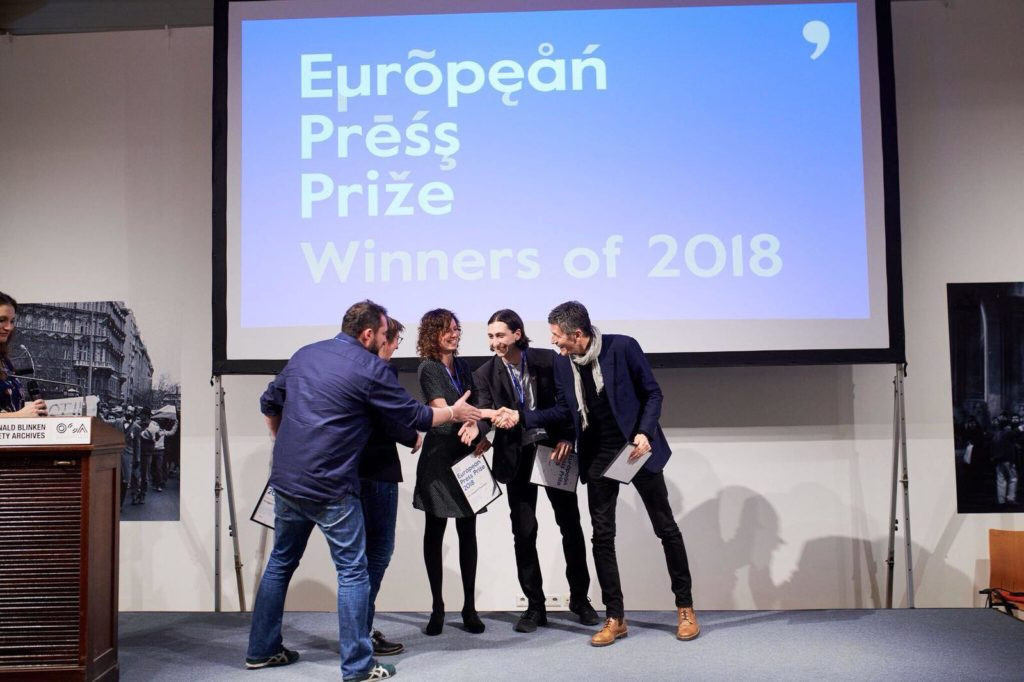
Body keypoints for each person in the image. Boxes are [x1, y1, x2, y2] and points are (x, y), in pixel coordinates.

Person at [247, 300, 480, 681]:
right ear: (368, 333)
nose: (390, 341)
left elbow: (269, 403)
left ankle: (261, 650)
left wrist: (283, 443)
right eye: (387, 334)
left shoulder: (305, 353)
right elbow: (416, 416)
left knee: (280, 563)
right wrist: (455, 412)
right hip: (332, 485)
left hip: (287, 479)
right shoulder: (369, 368)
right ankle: (358, 666)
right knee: (354, 572)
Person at [504, 301, 699, 646]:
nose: (554, 342)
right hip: (597, 455)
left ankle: (685, 608)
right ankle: (615, 617)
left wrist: (645, 432)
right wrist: (522, 417)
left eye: (557, 336)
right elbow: (563, 410)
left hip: (635, 449)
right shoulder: (563, 363)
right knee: (602, 537)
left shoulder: (622, 347)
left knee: (665, 528)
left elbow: (652, 393)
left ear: (577, 334)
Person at [473, 309, 598, 632]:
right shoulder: (484, 373)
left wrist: (568, 436)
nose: (495, 342)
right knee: (524, 532)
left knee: (570, 526)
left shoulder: (548, 359)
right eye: (490, 336)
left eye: (500, 335)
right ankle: (534, 607)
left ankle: (580, 600)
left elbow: (569, 404)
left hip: (554, 451)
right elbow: (486, 413)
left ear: (517, 334)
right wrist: (480, 430)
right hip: (516, 456)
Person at [412, 308, 488, 636]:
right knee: (435, 532)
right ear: (432, 334)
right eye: (447, 330)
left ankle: (470, 607)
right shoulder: (428, 368)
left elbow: (474, 409)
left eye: (457, 329)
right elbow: (443, 412)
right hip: (439, 460)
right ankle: (438, 608)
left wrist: (479, 429)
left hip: (466, 456)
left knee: (468, 532)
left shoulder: (463, 366)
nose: (454, 334)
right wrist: (472, 418)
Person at [358, 317, 421, 657]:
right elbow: (387, 417)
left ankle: (359, 632)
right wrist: (412, 435)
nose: (396, 347)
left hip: (349, 472)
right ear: (382, 338)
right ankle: (361, 634)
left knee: (358, 557)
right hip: (377, 471)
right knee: (378, 552)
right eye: (394, 340)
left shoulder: (347, 369)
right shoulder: (381, 372)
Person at [0, 291, 47, 418]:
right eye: (2, 320)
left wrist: (33, 411)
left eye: (12, 321)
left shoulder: (5, 361)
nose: (9, 327)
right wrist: (19, 415)